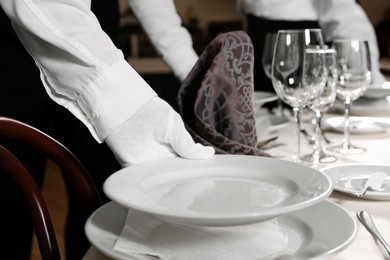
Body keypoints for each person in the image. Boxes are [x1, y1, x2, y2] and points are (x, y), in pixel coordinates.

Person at [0, 0, 214, 259]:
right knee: (8, 201)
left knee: (100, 206)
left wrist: (195, 78)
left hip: (96, 43)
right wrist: (129, 108)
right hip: (9, 57)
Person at [125, 0, 387, 95]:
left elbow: (342, 11)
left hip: (307, 40)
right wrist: (194, 74)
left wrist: (370, 80)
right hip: (259, 36)